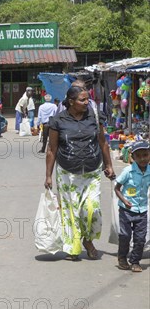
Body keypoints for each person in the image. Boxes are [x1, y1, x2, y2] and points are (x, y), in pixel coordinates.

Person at [45, 85, 115, 261]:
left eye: (87, 99)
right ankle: (73, 248)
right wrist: (48, 175)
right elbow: (52, 150)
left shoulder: (94, 117)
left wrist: (109, 165)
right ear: (71, 102)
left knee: (92, 209)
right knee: (71, 212)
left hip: (91, 171)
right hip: (67, 173)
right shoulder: (57, 121)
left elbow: (103, 142)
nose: (87, 102)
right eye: (82, 100)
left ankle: (88, 239)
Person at [114, 141, 150, 273]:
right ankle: (122, 257)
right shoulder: (128, 171)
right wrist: (124, 200)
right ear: (133, 157)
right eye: (139, 156)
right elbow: (117, 188)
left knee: (140, 238)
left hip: (142, 211)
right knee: (125, 235)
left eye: (145, 155)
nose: (142, 159)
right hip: (126, 210)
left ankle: (135, 261)